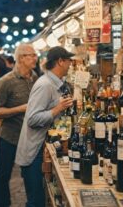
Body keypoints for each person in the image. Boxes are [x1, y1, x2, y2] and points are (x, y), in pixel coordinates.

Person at [15, 46, 75, 207]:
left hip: (45, 149)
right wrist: (57, 109)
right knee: (36, 201)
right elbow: (32, 118)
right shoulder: (45, 85)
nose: (71, 64)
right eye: (69, 60)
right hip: (34, 153)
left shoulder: (58, 84)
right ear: (60, 62)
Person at [0, 44, 38, 207]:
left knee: (30, 175)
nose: (35, 57)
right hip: (9, 138)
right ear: (21, 58)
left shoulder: (35, 78)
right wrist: (21, 108)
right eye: (31, 55)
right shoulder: (6, 82)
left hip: (30, 138)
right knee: (3, 176)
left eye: (35, 54)